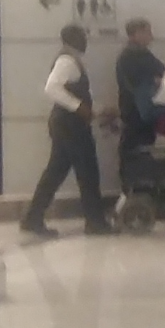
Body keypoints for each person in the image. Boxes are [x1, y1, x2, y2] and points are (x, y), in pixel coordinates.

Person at [18, 24, 113, 237]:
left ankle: (32, 217)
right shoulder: (67, 61)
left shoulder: (71, 60)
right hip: (71, 125)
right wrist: (79, 108)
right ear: (72, 39)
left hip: (65, 124)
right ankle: (95, 222)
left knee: (55, 172)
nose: (85, 40)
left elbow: (77, 95)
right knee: (87, 172)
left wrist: (97, 111)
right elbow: (51, 88)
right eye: (82, 36)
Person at [114, 18, 165, 158]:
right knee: (134, 150)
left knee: (144, 149)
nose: (151, 36)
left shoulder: (144, 54)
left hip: (144, 112)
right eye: (147, 32)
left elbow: (163, 72)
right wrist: (155, 82)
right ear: (136, 34)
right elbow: (136, 83)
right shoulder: (128, 57)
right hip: (135, 112)